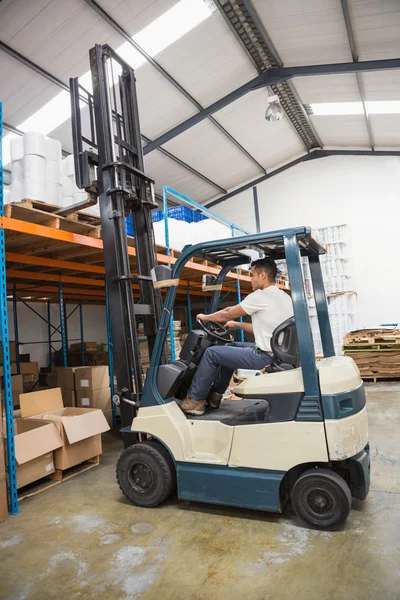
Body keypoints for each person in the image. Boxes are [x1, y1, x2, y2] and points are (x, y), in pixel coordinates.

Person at [177, 257, 294, 416]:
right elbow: (265, 329)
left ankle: (195, 401)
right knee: (229, 348)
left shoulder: (261, 296)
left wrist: (206, 317)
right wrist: (236, 324)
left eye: (252, 275)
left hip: (265, 356)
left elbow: (227, 313)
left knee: (212, 353)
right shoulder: (282, 297)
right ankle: (215, 397)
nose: (250, 279)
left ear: (263, 275)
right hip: (277, 353)